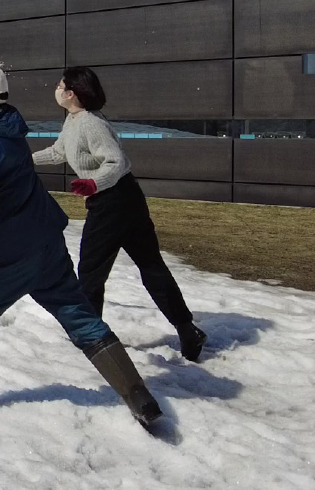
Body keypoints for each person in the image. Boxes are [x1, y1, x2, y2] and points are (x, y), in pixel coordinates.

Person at [0, 59, 162, 427]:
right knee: (81, 318)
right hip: (47, 243)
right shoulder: (9, 129)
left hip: (9, 254)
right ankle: (138, 396)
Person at [32, 67, 207, 361]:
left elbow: (115, 161)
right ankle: (187, 330)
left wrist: (93, 183)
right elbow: (58, 151)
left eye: (60, 85)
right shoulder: (74, 120)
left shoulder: (91, 123)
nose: (56, 89)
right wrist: (24, 160)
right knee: (150, 266)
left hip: (112, 201)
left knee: (91, 270)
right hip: (125, 198)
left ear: (71, 93)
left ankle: (89, 335)